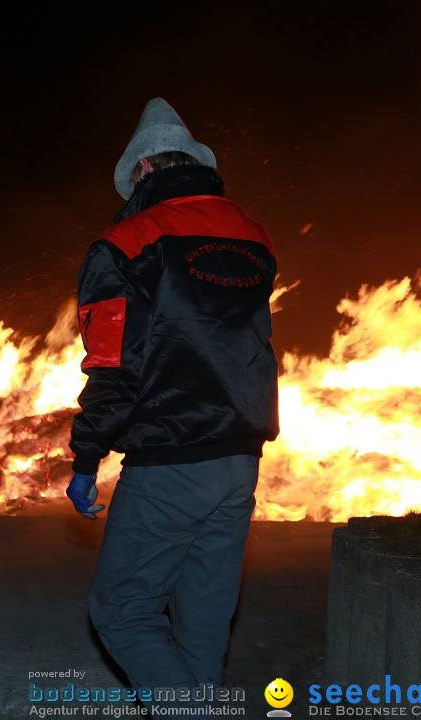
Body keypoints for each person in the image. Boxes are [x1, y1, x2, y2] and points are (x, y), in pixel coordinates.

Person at [65, 97, 280, 711]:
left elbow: (114, 365)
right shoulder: (253, 236)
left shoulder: (125, 243)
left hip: (170, 459)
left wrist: (86, 457)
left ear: (142, 171)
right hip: (240, 457)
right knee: (203, 625)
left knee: (123, 612)